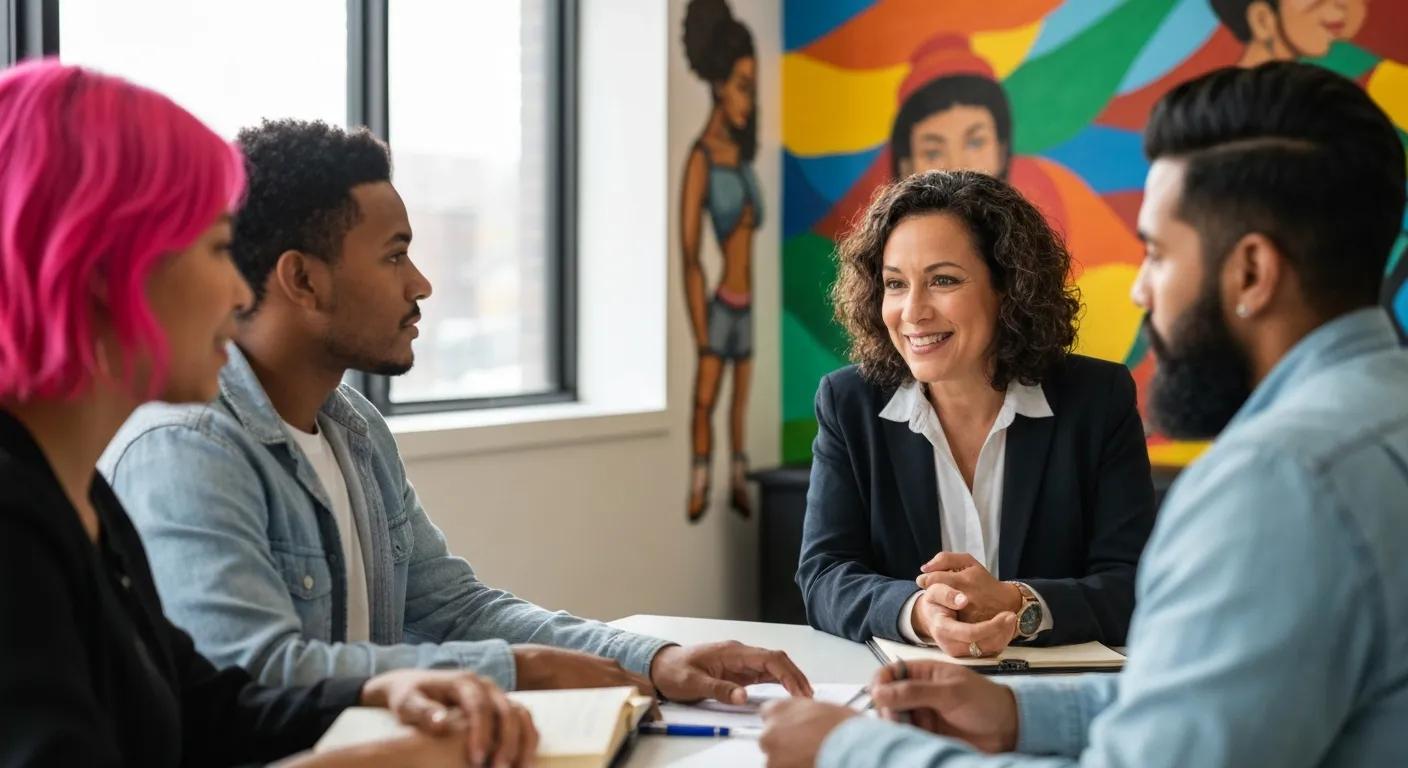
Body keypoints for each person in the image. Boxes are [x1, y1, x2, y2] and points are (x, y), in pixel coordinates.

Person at [761, 61, 1408, 767]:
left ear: (1251, 272)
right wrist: (1014, 713)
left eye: (1157, 254)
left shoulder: (1278, 480)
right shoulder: (1379, 420)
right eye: (894, 284)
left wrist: (851, 751)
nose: (1138, 292)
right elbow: (1212, 700)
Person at [98, 118, 812, 705]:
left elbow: (455, 609)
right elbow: (252, 677)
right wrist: (516, 672)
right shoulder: (186, 447)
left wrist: (655, 659)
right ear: (304, 280)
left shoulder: (354, 426)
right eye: (395, 256)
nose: (423, 284)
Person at [0, 60, 535, 767]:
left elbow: (210, 708)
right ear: (105, 265)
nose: (236, 290)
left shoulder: (83, 500)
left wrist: (378, 694)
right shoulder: (17, 524)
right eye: (219, 249)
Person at [796, 169, 1156, 656]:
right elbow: (824, 576)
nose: (913, 311)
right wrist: (920, 612)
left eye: (943, 280)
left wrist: (1017, 603)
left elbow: (1133, 584)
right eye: (895, 284)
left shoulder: (1097, 399)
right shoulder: (849, 402)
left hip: (1061, 693)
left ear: (1008, 286)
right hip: (911, 689)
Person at [680, 0, 761, 520]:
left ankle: (736, 476)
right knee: (706, 401)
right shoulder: (702, 160)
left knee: (737, 407)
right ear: (717, 85)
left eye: (753, 88)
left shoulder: (745, 157)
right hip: (719, 307)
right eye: (741, 87)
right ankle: (699, 478)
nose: (749, 101)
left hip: (747, 300)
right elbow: (689, 254)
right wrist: (702, 329)